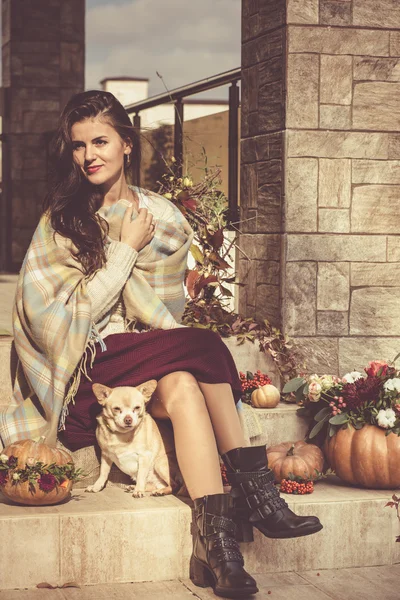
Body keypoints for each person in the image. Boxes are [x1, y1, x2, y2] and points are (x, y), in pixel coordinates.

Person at [0, 91, 322, 598]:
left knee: (184, 382)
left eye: (101, 141)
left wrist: (138, 274)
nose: (89, 155)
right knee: (205, 347)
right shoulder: (60, 223)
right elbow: (54, 324)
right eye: (79, 145)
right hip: (90, 376)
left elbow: (163, 323)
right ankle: (261, 497)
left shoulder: (166, 219)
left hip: (149, 364)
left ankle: (216, 550)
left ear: (127, 143)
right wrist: (123, 250)